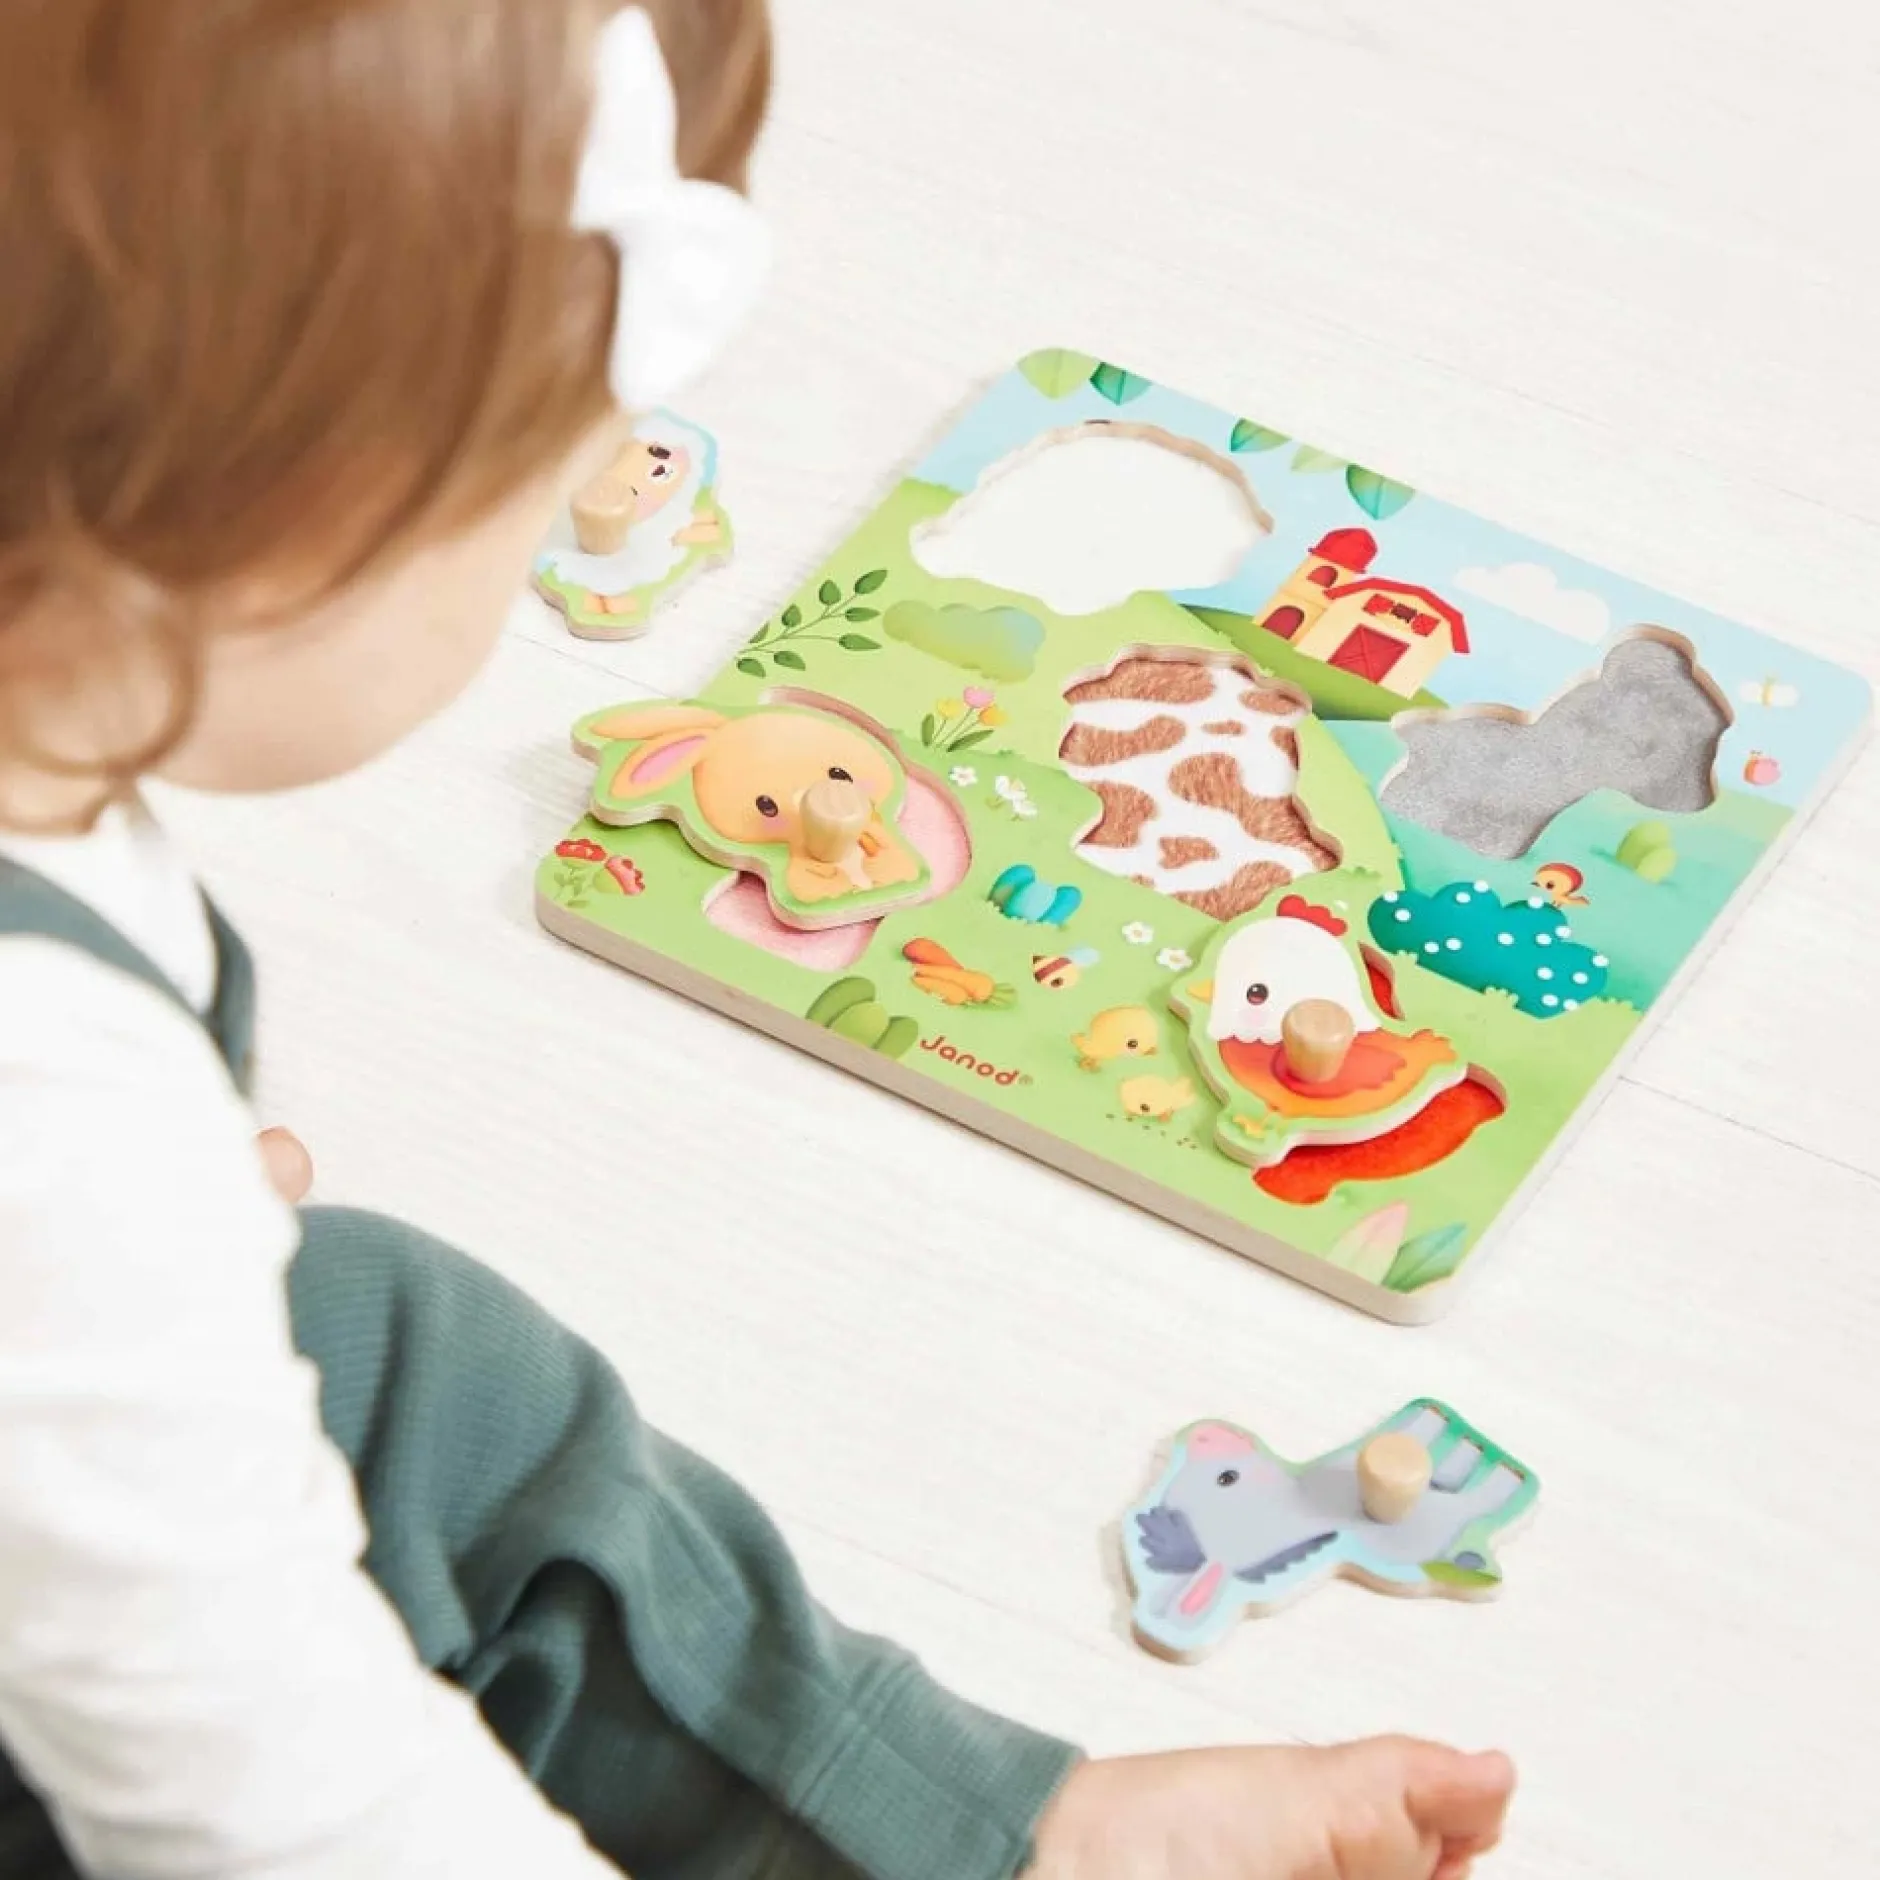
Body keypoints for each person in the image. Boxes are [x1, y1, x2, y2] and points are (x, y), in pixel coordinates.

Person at [0, 4, 1517, 1877]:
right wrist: (86, 1225)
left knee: (395, 1344)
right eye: (543, 484)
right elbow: (284, 1808)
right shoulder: (47, 1127)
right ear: (289, 529)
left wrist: (114, 1249)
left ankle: (966, 1824)